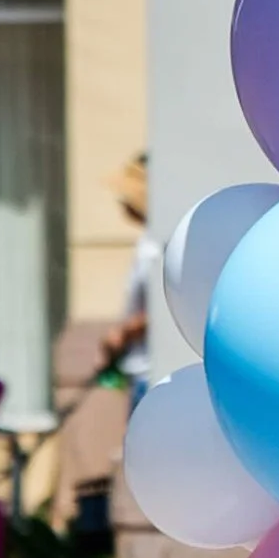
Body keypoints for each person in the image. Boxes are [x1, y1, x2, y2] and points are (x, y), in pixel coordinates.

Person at [97, 151, 156, 384]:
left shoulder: (155, 247)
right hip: (139, 366)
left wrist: (122, 334)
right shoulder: (148, 241)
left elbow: (160, 308)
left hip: (148, 369)